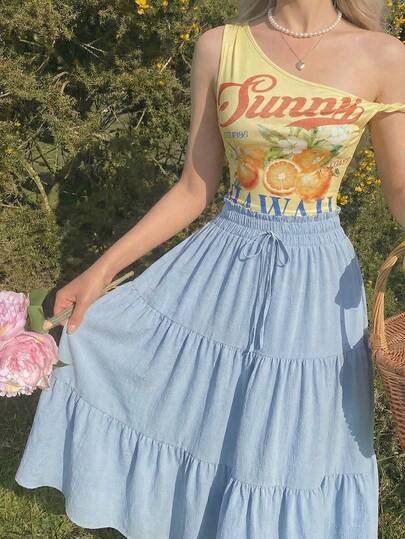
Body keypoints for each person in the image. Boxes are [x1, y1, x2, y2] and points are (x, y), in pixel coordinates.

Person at [15, 0, 405, 537]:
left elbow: (399, 189)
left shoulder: (385, 56)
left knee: (291, 440)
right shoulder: (221, 46)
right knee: (209, 416)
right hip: (223, 265)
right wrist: (100, 272)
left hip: (315, 281)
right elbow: (192, 188)